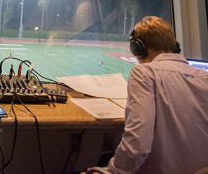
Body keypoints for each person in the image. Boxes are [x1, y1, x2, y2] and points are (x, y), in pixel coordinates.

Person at [84, 16, 208, 174]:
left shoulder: (144, 73)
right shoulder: (204, 77)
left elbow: (137, 144)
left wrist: (111, 172)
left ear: (137, 48)